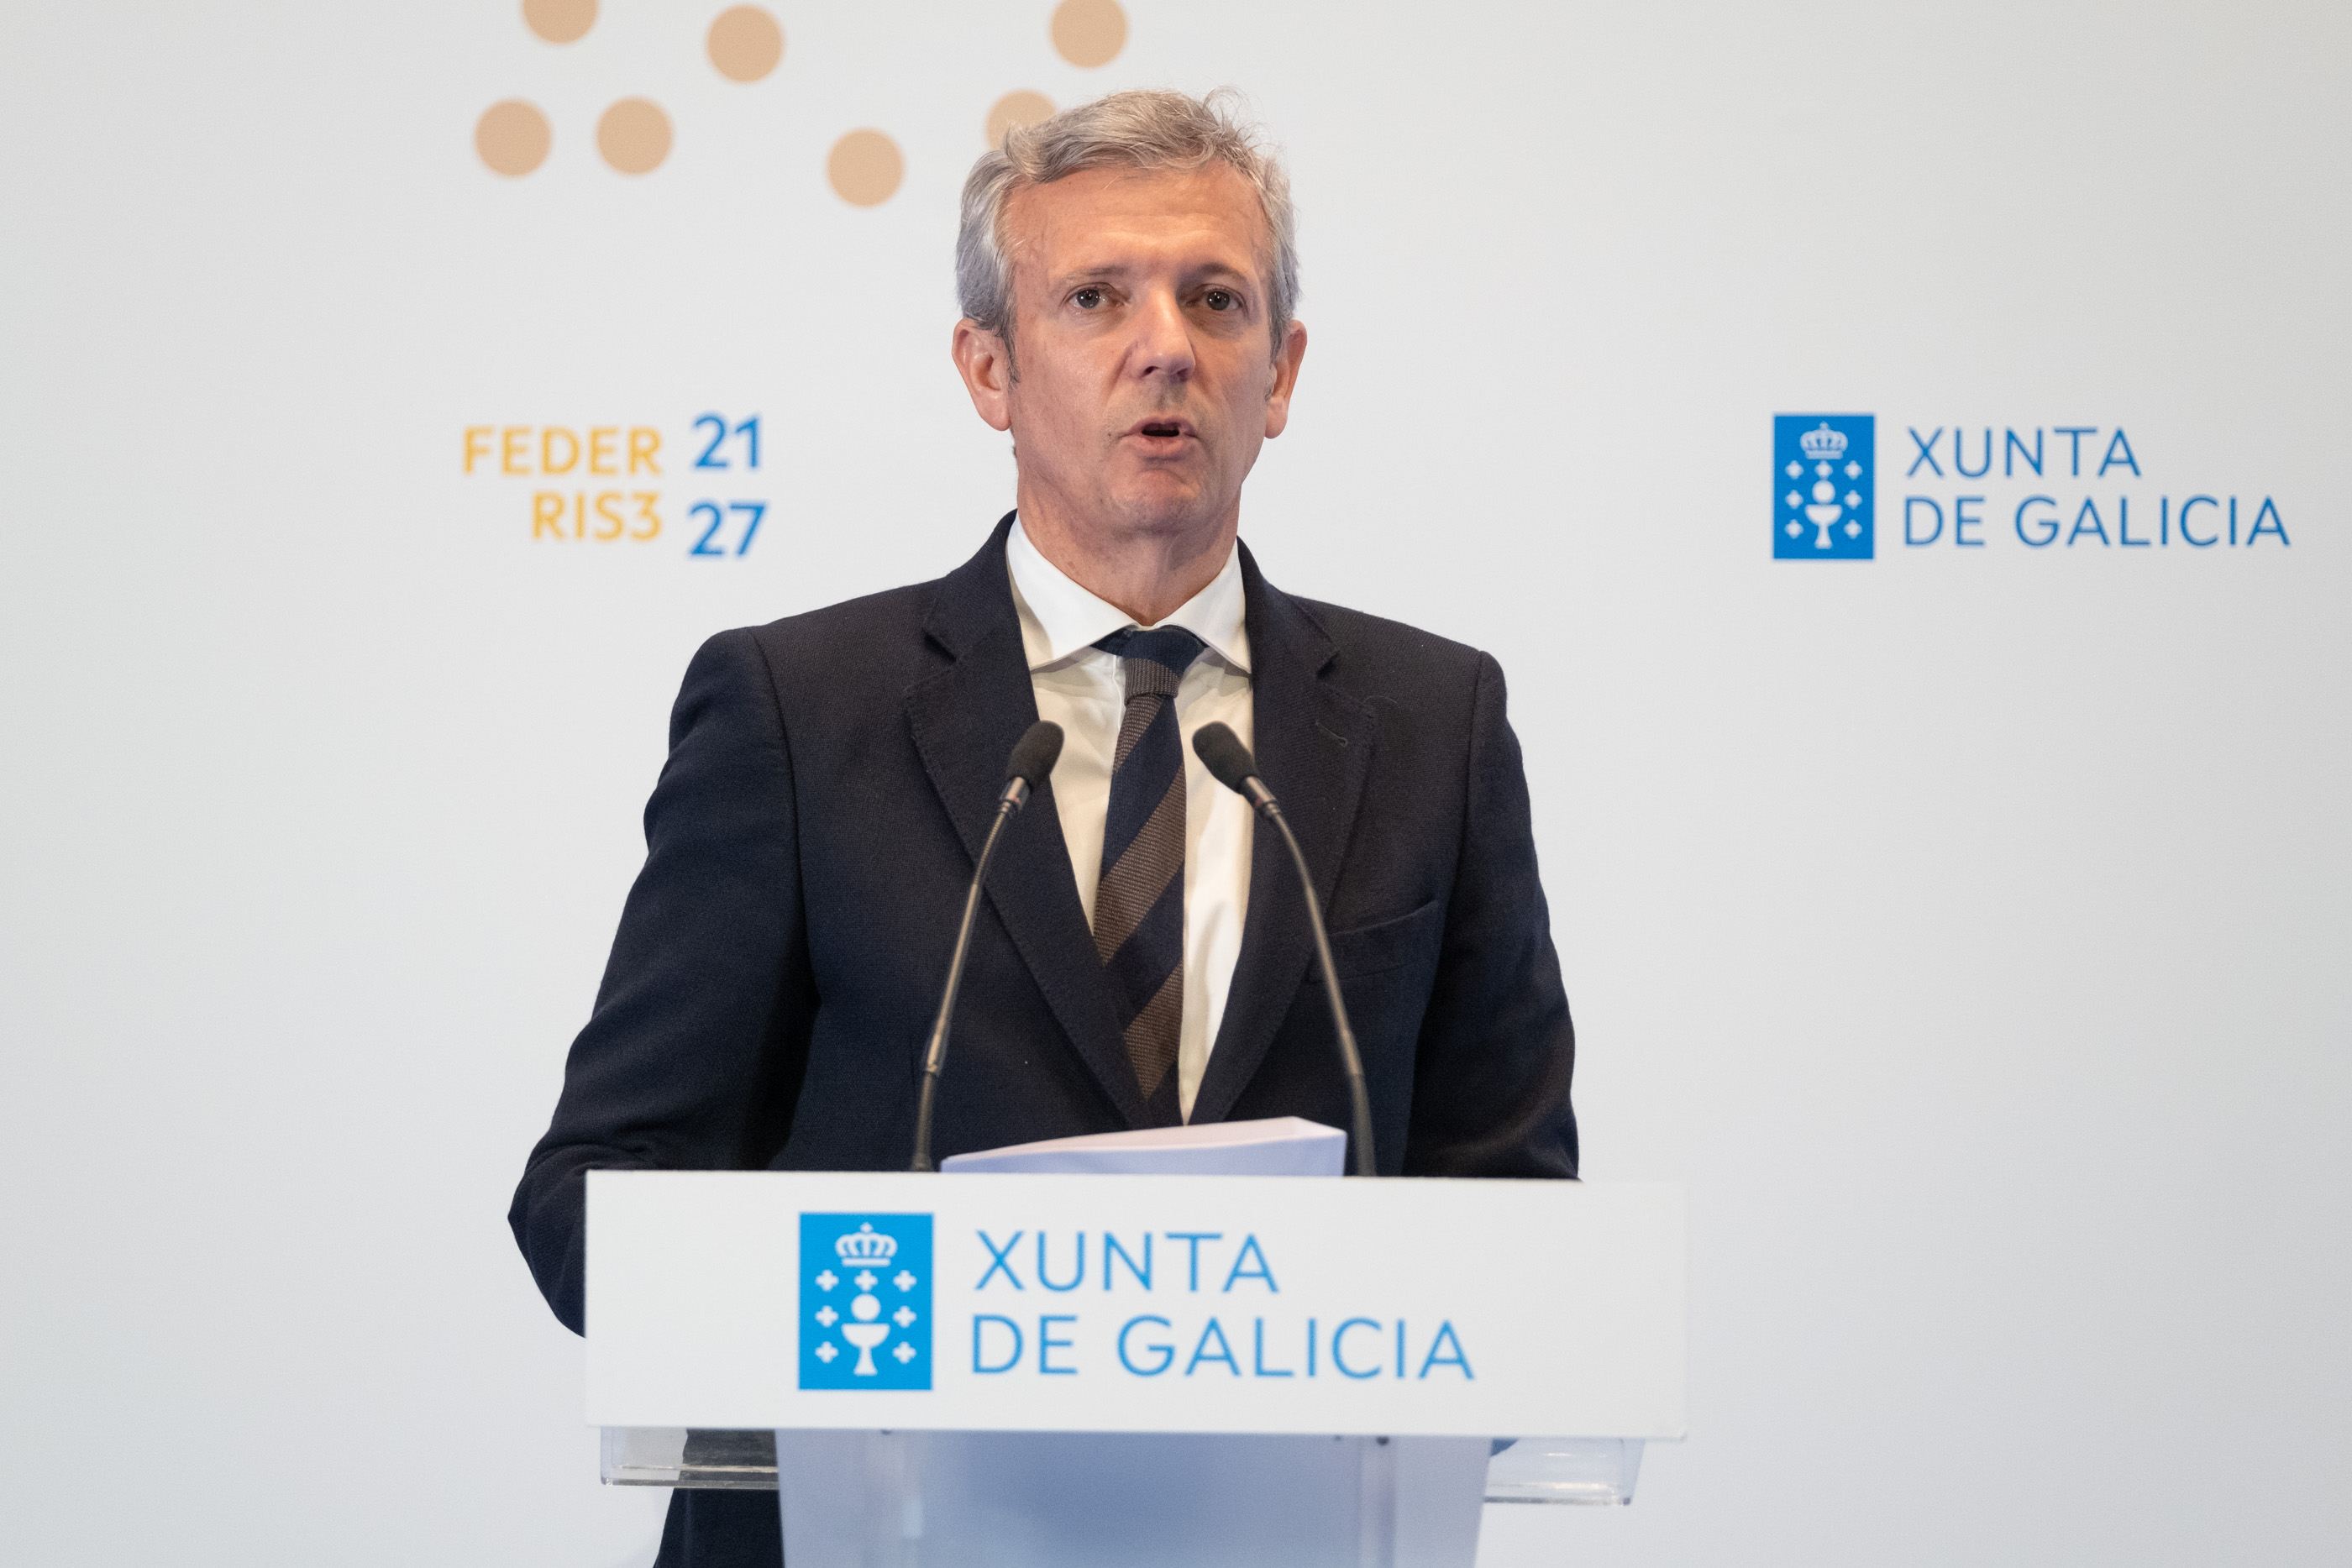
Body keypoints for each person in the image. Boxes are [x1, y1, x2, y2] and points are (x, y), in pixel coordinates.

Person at [510, 88, 1578, 1568]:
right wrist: (885, 1338)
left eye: (1217, 300)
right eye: (1095, 298)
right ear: (989, 368)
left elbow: (1519, 1226)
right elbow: (596, 1195)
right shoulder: (799, 711)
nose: (1166, 346)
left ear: (1280, 373)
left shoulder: (1431, 724)